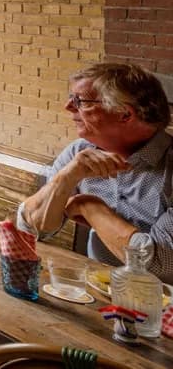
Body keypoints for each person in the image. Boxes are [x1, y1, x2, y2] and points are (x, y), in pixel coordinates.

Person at [18, 63, 173, 282]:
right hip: (98, 290)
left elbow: (160, 264)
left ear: (125, 114)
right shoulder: (79, 153)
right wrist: (65, 178)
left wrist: (88, 206)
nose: (68, 107)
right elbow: (30, 228)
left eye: (80, 100)